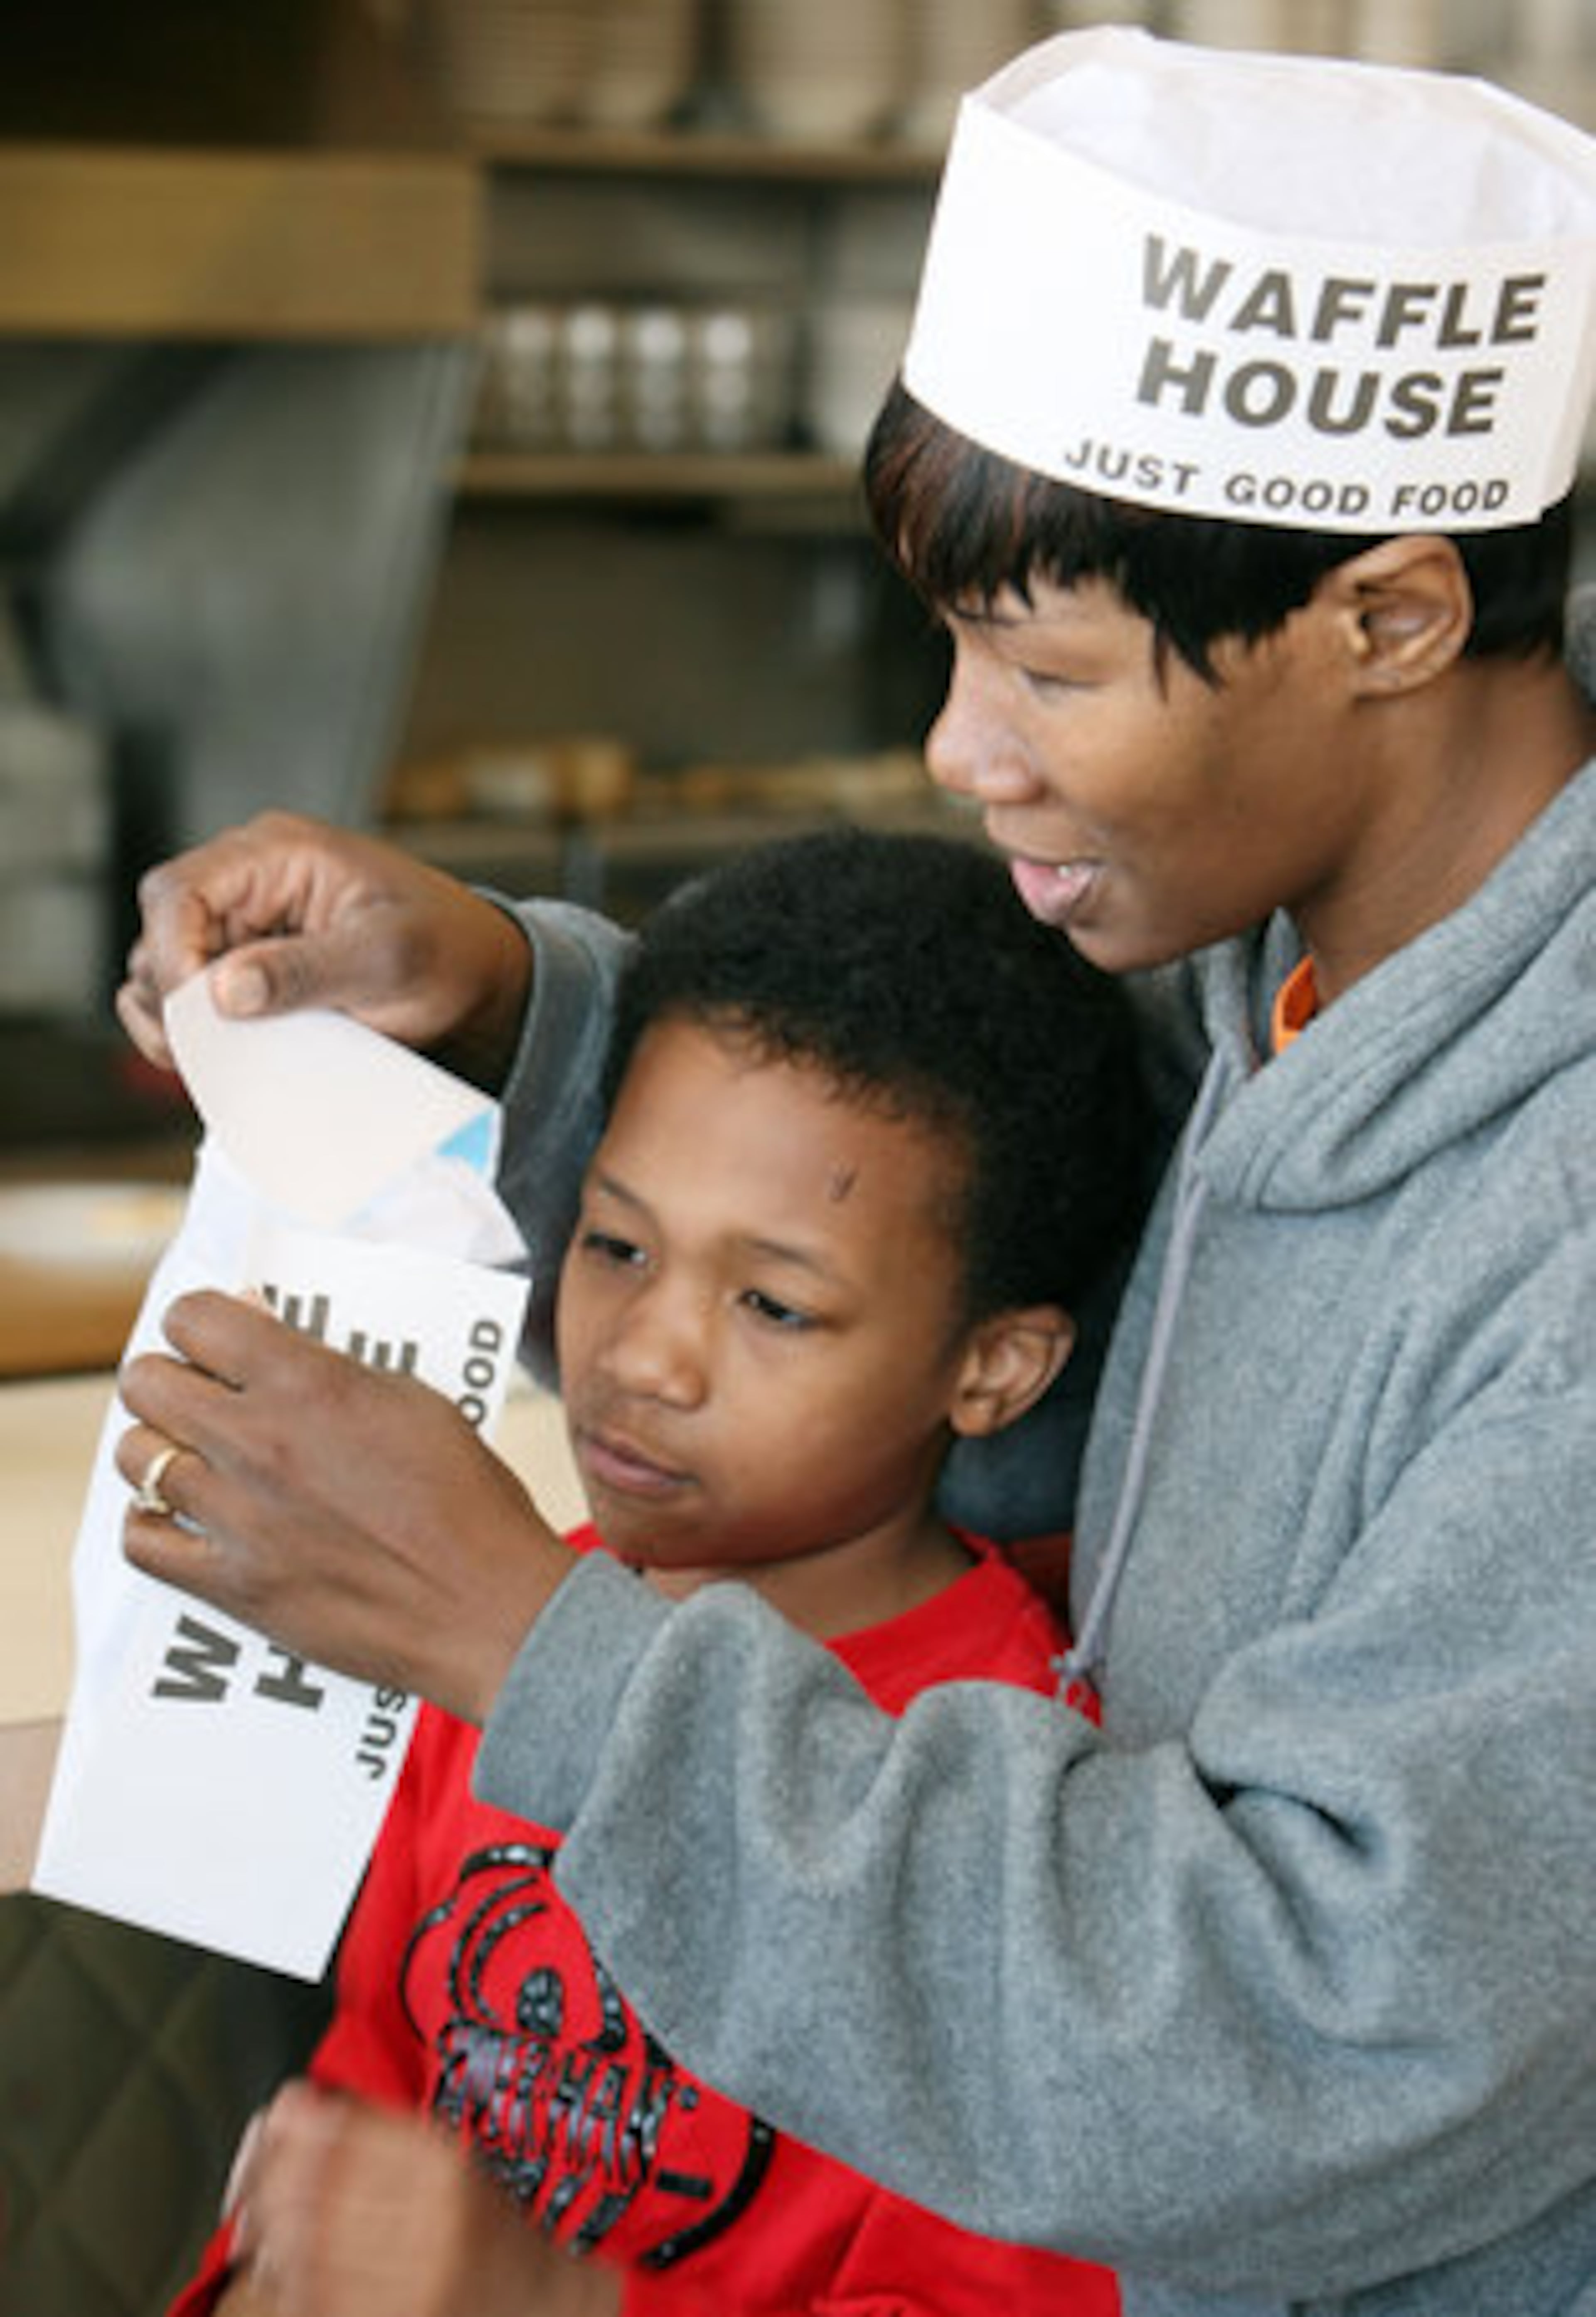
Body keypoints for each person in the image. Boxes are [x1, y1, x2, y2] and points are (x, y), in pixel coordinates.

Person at [114, 26, 1596, 2317]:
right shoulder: (1273, 975)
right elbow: (986, 1196)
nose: (956, 746)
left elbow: (1329, 2032)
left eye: (1045, 665)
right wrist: (507, 996)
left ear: (1389, 621)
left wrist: (533, 1641)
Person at [167, 827, 1138, 2317]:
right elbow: (372, 2087)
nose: (644, 1357)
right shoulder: (495, 1611)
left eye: (773, 1303)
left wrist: (551, 2303)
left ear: (995, 1368)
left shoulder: (1011, 1792)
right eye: (615, 1244)